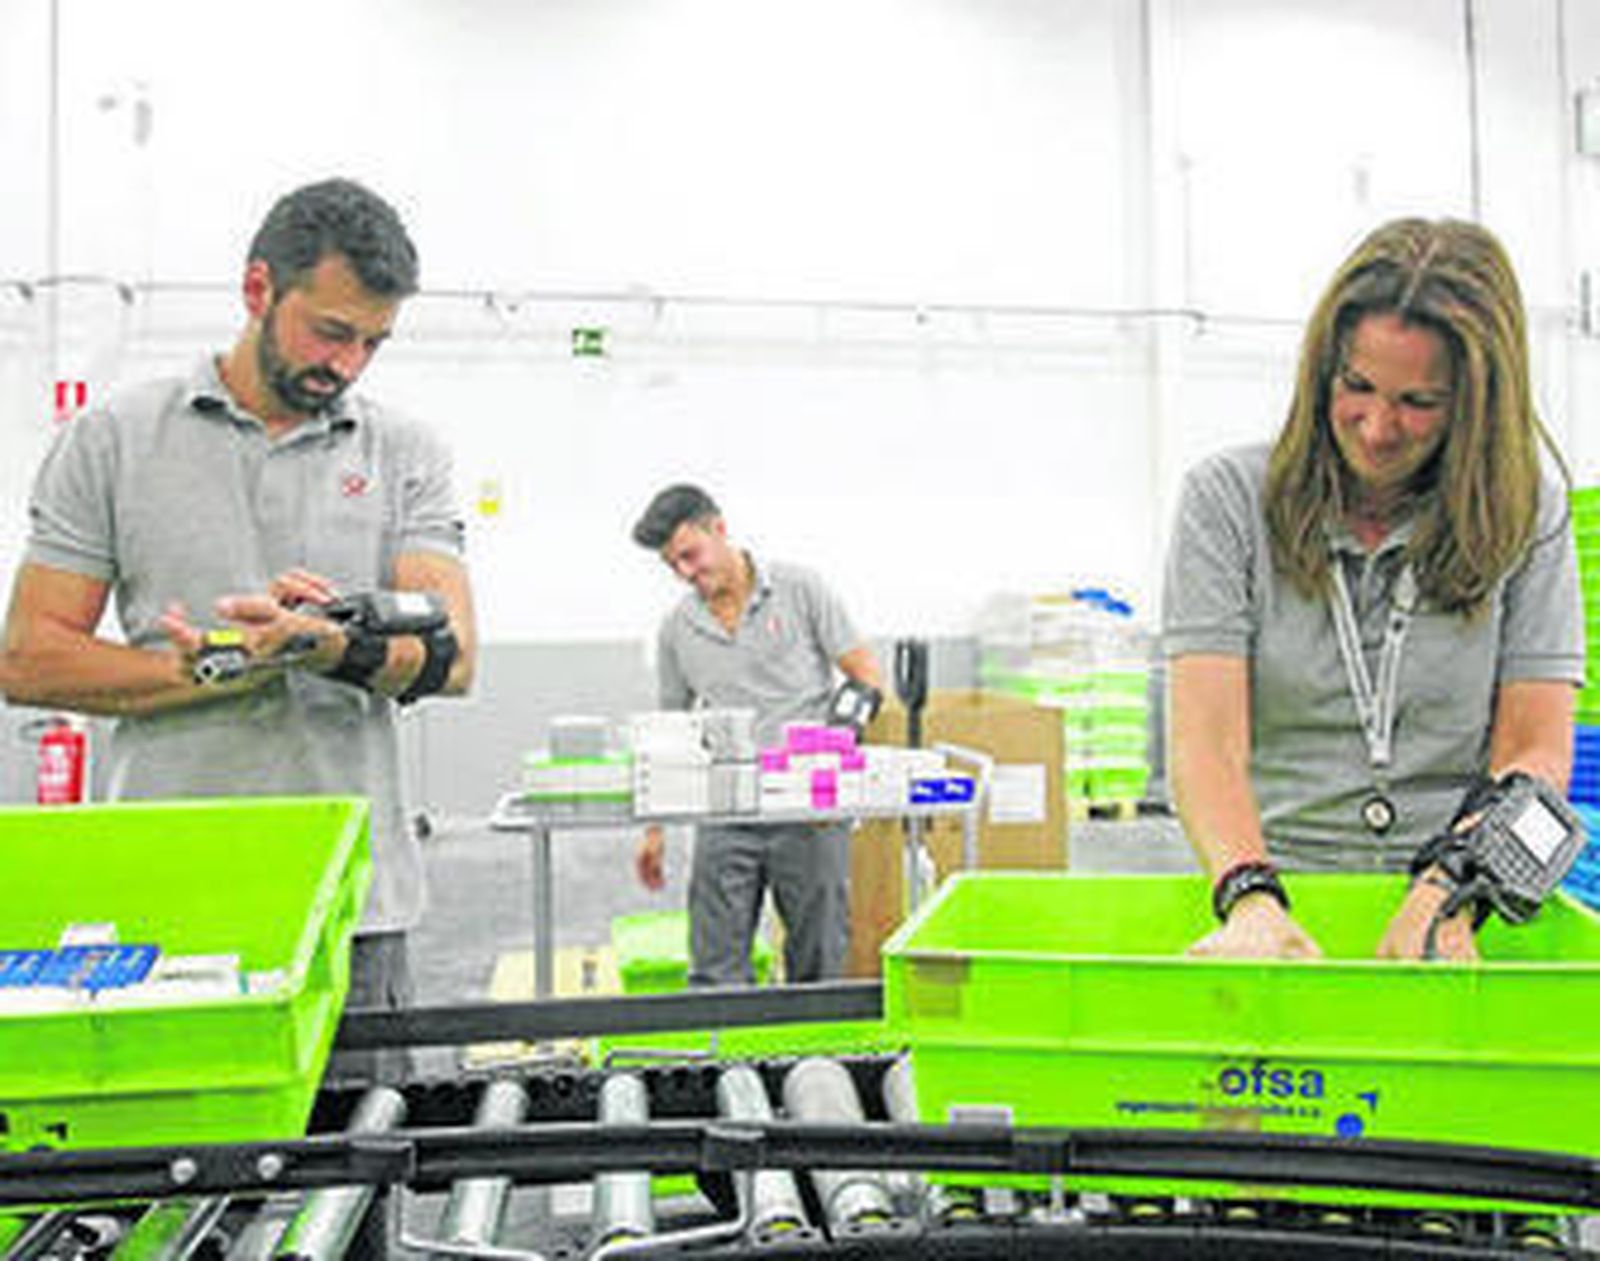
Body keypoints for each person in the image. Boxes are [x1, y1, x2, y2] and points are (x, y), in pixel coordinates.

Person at [0, 178, 476, 1078]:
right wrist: (222, 667)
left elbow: (452, 656)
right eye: (332, 332)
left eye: (373, 342)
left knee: (357, 1186)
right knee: (176, 1199)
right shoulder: (113, 438)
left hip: (354, 909)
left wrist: (327, 644)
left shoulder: (403, 451)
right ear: (259, 289)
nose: (349, 364)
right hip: (167, 900)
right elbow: (27, 655)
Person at [1163, 217, 1583, 964]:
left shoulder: (1529, 514)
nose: (1377, 427)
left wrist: (1450, 886)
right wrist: (1251, 897)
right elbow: (1208, 743)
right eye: (1357, 386)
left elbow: (1534, 749)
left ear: (1478, 404)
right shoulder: (1225, 501)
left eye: (1420, 402)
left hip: (1452, 906)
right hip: (1267, 906)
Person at [630, 484, 884, 985]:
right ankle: (729, 1062)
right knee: (714, 969)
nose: (685, 573)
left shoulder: (800, 589)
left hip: (809, 811)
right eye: (672, 565)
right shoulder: (677, 628)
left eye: (690, 555)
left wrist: (832, 749)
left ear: (719, 529)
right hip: (726, 811)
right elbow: (672, 727)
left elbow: (865, 675)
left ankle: (817, 1063)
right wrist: (654, 830)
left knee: (819, 963)